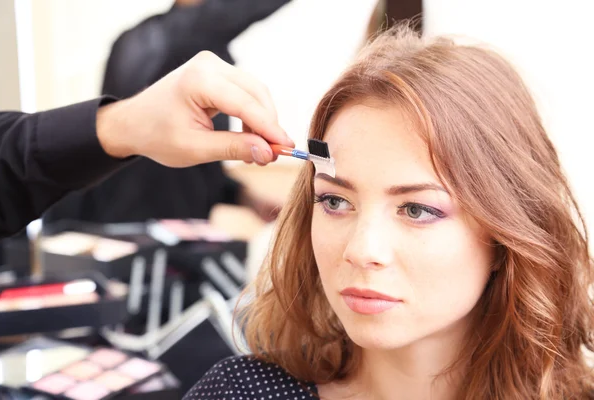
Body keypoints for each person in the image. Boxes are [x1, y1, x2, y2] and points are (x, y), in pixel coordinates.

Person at [184, 25, 594, 399]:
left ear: (505, 235)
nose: (362, 251)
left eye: (416, 209)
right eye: (335, 201)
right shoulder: (240, 392)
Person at [0, 51, 293, 241]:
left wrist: (244, 196)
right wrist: (123, 125)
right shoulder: (149, 48)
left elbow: (202, 169)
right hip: (122, 238)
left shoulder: (219, 69)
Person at [44, 0, 290, 225]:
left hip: (176, 236)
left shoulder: (197, 55)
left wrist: (245, 197)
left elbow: (193, 169)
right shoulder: (156, 41)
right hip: (134, 234)